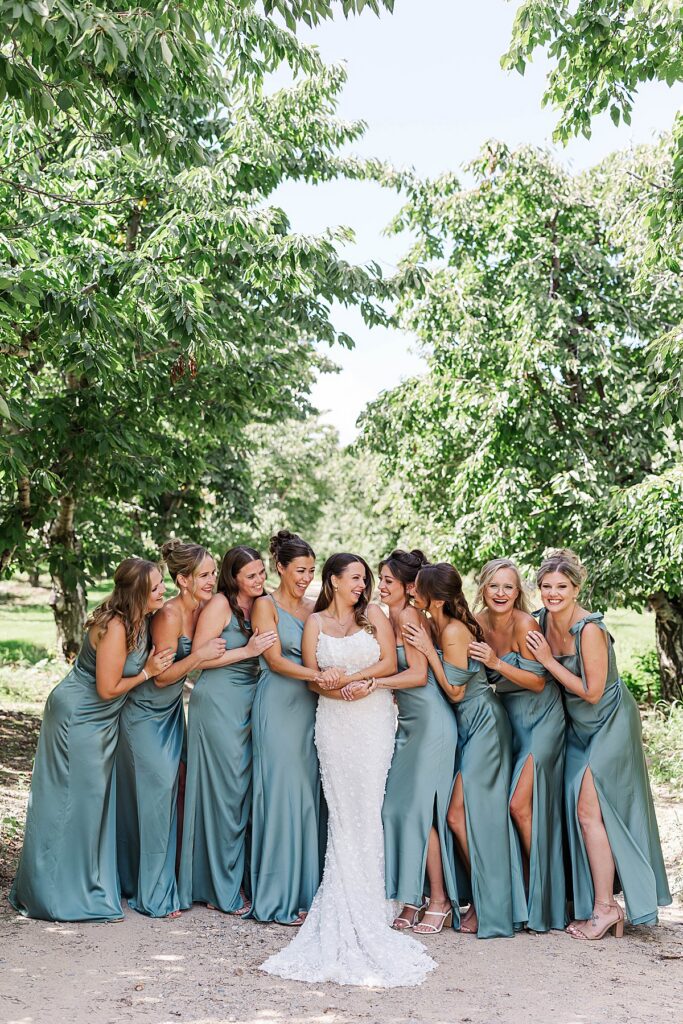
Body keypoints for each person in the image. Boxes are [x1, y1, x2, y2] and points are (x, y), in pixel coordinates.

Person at [261, 553, 435, 987]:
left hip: (372, 719)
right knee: (342, 814)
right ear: (334, 581)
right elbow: (311, 678)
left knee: (369, 807)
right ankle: (345, 899)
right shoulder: (315, 623)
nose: (362, 585)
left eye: (364, 579)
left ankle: (375, 902)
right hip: (334, 724)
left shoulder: (374, 614)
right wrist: (333, 685)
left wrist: (359, 683)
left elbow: (390, 664)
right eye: (354, 578)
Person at [10, 558, 173, 921]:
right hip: (78, 716)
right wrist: (148, 671)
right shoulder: (114, 626)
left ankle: (82, 883)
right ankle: (55, 895)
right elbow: (107, 688)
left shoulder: (141, 620)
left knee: (90, 802)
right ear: (138, 593)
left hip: (100, 719)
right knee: (71, 802)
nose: (164, 590)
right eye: (157, 586)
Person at [527, 548, 671, 939]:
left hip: (610, 722)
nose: (553, 593)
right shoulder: (539, 622)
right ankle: (594, 900)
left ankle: (606, 907)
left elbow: (592, 693)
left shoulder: (589, 629)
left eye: (561, 587)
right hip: (578, 728)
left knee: (588, 810)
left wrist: (549, 661)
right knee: (580, 811)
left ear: (576, 589)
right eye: (546, 586)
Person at [404, 562, 525, 938]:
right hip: (465, 727)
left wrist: (429, 652)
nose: (413, 592)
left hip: (484, 725)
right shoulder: (438, 623)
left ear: (435, 598)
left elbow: (456, 692)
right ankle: (480, 900)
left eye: (418, 588)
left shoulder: (454, 630)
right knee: (459, 815)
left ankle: (491, 904)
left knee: (460, 815)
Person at [116, 540, 225, 918]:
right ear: (183, 580)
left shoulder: (205, 608)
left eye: (213, 573)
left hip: (172, 712)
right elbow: (161, 677)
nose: (211, 580)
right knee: (157, 798)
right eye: (204, 575)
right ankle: (154, 893)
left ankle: (169, 878)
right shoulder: (168, 615)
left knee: (175, 793)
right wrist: (198, 656)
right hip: (145, 714)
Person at [177, 546, 276, 914]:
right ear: (234, 578)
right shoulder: (220, 604)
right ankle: (219, 888)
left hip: (250, 701)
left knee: (242, 793)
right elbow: (200, 658)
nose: (259, 580)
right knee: (224, 794)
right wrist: (248, 651)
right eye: (251, 575)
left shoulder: (262, 603)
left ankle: (237, 878)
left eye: (262, 572)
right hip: (217, 702)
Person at [470, 558, 567, 932]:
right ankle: (518, 893)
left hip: (542, 719)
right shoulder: (476, 623)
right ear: (483, 588)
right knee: (503, 806)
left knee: (518, 804)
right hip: (509, 722)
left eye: (508, 587)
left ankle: (541, 893)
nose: (500, 593)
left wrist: (495, 662)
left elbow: (537, 682)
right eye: (494, 585)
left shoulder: (526, 624)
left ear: (517, 592)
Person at [249, 530, 329, 925]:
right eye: (300, 570)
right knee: (282, 793)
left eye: (311, 571)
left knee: (307, 794)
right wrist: (317, 675)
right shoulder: (265, 606)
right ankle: (277, 896)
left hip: (312, 707)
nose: (306, 578)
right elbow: (275, 660)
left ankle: (307, 891)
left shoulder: (315, 608)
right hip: (279, 704)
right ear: (280, 568)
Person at [379, 549, 460, 934]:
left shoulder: (409, 616)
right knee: (398, 809)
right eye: (380, 579)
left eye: (388, 581)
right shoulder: (388, 617)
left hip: (431, 721)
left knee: (420, 814)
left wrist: (375, 684)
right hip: (410, 722)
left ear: (409, 587)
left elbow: (416, 675)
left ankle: (439, 900)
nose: (380, 587)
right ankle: (413, 894)